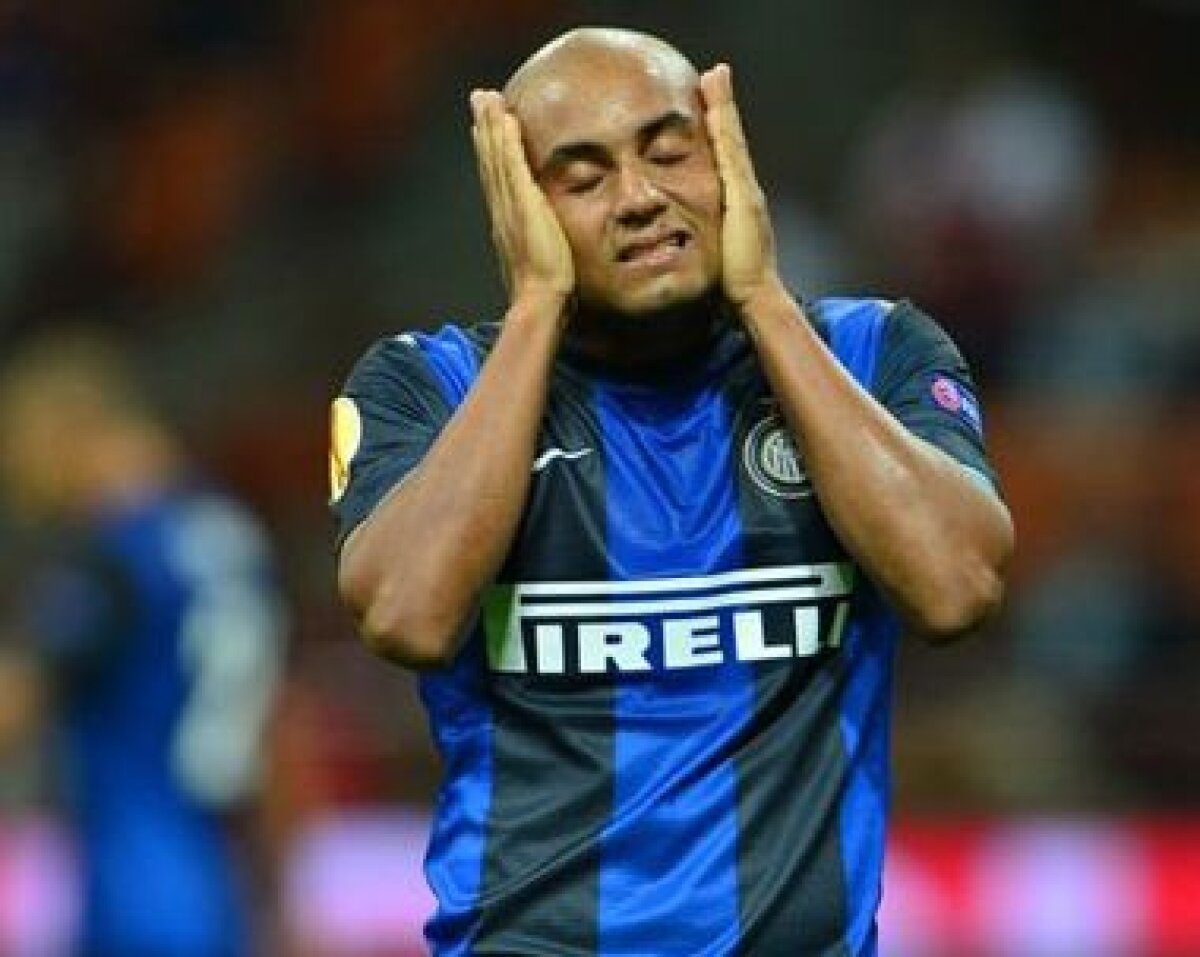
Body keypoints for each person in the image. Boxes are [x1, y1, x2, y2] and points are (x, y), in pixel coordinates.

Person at [330, 26, 1013, 956]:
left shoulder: (872, 353)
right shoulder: (428, 386)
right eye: (583, 178)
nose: (640, 198)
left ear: (729, 157)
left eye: (669, 151)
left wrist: (764, 296)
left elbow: (955, 586)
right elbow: (406, 614)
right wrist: (535, 306)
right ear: (518, 207)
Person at [0, 330, 285, 957]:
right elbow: (278, 725)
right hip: (222, 881)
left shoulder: (111, 555)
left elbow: (15, 707)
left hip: (138, 881)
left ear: (66, 434)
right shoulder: (227, 531)